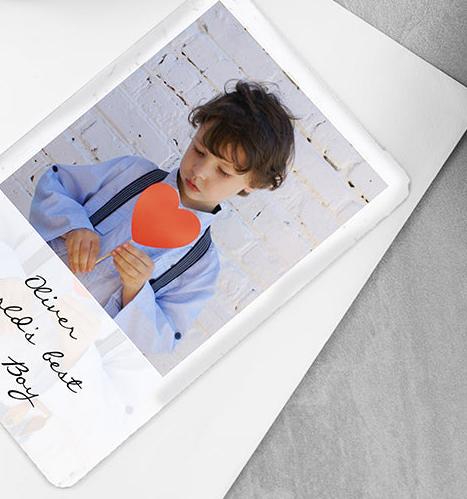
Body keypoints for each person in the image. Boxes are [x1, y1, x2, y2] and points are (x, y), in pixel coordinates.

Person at [28, 81, 295, 355]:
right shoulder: (132, 174)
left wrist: (135, 289)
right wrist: (74, 226)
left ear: (252, 184)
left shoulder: (201, 266)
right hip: (23, 289)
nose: (199, 171)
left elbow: (164, 339)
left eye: (223, 171)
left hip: (59, 347)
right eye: (199, 151)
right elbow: (55, 184)